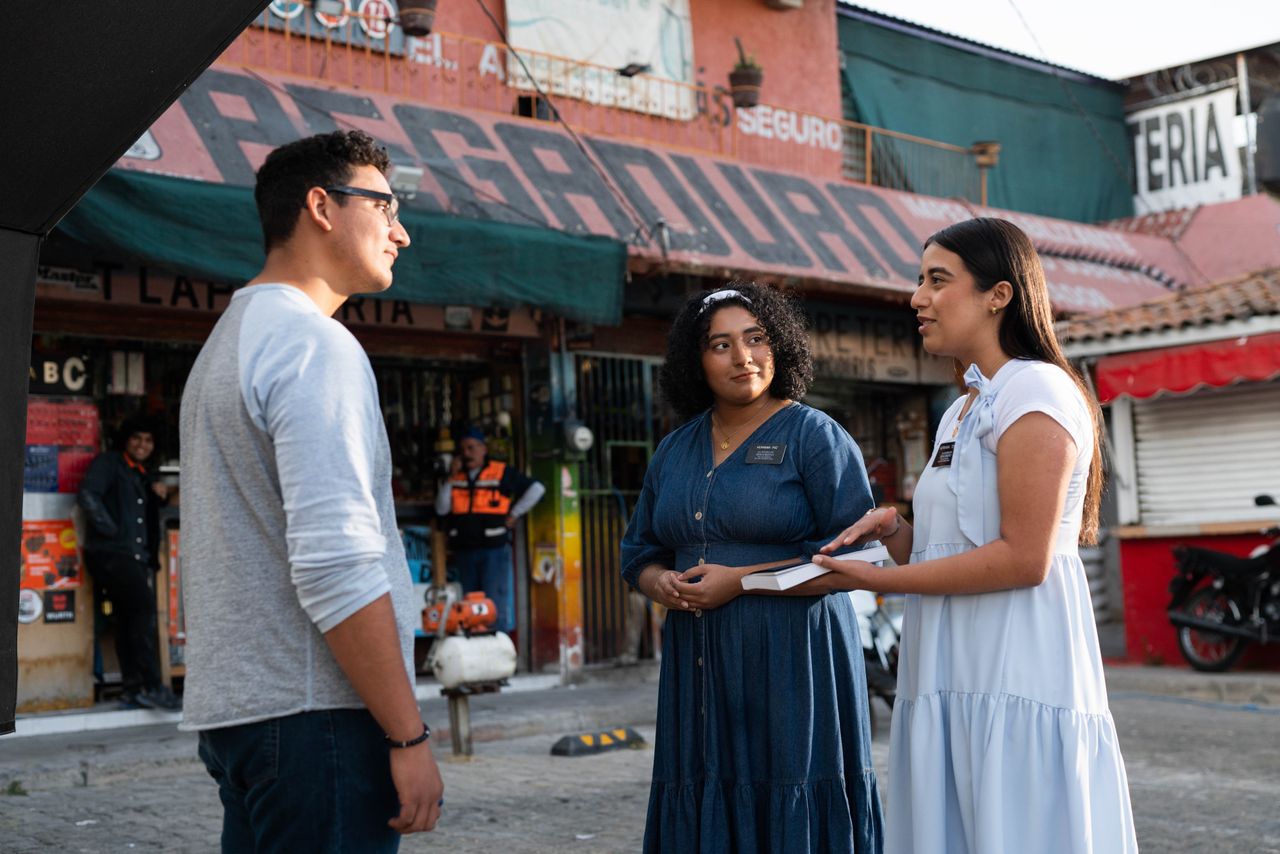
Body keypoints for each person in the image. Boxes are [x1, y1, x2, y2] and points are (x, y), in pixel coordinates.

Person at [812, 218, 1138, 853]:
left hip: (1015, 661)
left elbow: (1023, 559)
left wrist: (879, 580)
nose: (918, 298)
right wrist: (897, 530)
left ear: (999, 295)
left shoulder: (1035, 389)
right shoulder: (963, 407)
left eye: (938, 280)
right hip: (949, 664)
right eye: (919, 281)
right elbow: (954, 552)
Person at [179, 129, 443, 850]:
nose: (401, 233)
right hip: (318, 719)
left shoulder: (230, 341)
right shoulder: (312, 344)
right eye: (384, 207)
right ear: (322, 207)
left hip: (245, 716)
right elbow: (337, 563)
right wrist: (408, 734)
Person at [620, 283, 885, 853]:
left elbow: (855, 558)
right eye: (721, 345)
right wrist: (659, 582)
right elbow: (638, 551)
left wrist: (739, 581)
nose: (743, 357)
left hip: (795, 659)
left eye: (756, 338)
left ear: (779, 346)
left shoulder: (815, 436)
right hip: (698, 662)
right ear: (696, 361)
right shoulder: (674, 450)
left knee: (791, 785)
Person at [78, 416, 181, 711]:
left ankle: (132, 689)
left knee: (127, 621)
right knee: (143, 613)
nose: (142, 445)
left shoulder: (142, 475)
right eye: (137, 438)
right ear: (126, 439)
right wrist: (112, 533)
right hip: (112, 555)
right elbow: (88, 495)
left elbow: (147, 514)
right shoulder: (109, 463)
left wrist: (159, 493)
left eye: (148, 440)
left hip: (131, 557)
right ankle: (151, 686)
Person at [434, 426, 544, 634]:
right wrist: (450, 477)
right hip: (465, 550)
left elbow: (537, 489)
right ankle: (475, 646)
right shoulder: (456, 477)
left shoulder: (501, 472)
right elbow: (441, 508)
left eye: (471, 448)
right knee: (469, 605)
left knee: (493, 603)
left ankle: (497, 644)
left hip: (493, 550)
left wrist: (514, 514)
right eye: (463, 449)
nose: (467, 453)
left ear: (483, 449)